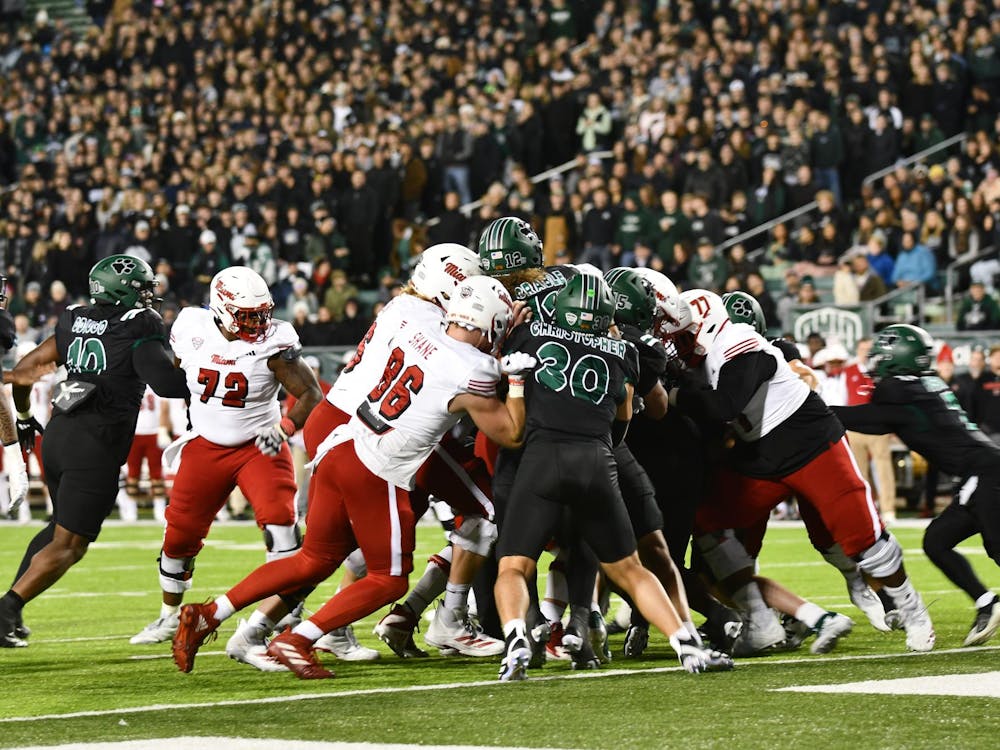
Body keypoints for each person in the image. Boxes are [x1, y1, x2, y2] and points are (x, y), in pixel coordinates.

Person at [171, 275, 529, 679]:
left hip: (341, 443)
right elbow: (510, 432)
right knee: (389, 580)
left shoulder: (417, 323)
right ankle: (300, 639)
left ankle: (208, 614)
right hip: (378, 468)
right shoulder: (474, 368)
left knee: (312, 559)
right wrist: (514, 377)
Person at [664, 290, 934, 653]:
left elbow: (723, 406)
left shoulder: (739, 341)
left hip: (808, 441)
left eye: (681, 337)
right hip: (757, 453)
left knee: (864, 539)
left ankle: (912, 609)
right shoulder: (700, 357)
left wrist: (675, 393)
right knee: (708, 522)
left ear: (704, 326)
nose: (676, 345)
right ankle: (759, 622)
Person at [493, 273, 732, 680]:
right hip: (597, 461)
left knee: (514, 566)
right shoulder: (624, 352)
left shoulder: (531, 332)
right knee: (632, 569)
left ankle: (516, 638)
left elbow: (501, 377)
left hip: (541, 458)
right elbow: (624, 419)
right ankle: (686, 644)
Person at [130, 266, 323, 648]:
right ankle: (169, 616)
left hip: (259, 445)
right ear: (220, 308)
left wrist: (283, 428)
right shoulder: (190, 326)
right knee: (179, 536)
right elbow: (177, 375)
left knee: (283, 530)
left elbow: (311, 393)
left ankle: (285, 616)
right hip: (205, 444)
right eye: (247, 315)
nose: (258, 322)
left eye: (262, 313)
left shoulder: (275, 342)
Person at [0, 256, 189, 647]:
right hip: (96, 444)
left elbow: (25, 369)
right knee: (71, 544)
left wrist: (22, 417)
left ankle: (9, 613)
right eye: (141, 287)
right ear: (122, 290)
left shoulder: (74, 318)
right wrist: (211, 372)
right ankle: (5, 610)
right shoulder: (140, 324)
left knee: (58, 530)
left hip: (58, 436)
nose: (148, 293)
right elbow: (166, 383)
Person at [831, 325, 1000, 647]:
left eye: (884, 351)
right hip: (981, 470)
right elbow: (885, 421)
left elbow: (876, 420)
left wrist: (817, 411)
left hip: (984, 472)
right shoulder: (924, 383)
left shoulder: (897, 388)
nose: (877, 359)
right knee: (937, 540)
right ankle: (986, 603)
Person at [842, 338, 897, 524]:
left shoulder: (881, 372)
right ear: (857, 350)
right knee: (859, 472)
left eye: (868, 349)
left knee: (883, 469)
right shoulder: (848, 371)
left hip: (877, 427)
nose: (865, 352)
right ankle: (868, 507)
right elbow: (842, 398)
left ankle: (888, 509)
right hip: (855, 429)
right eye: (862, 348)